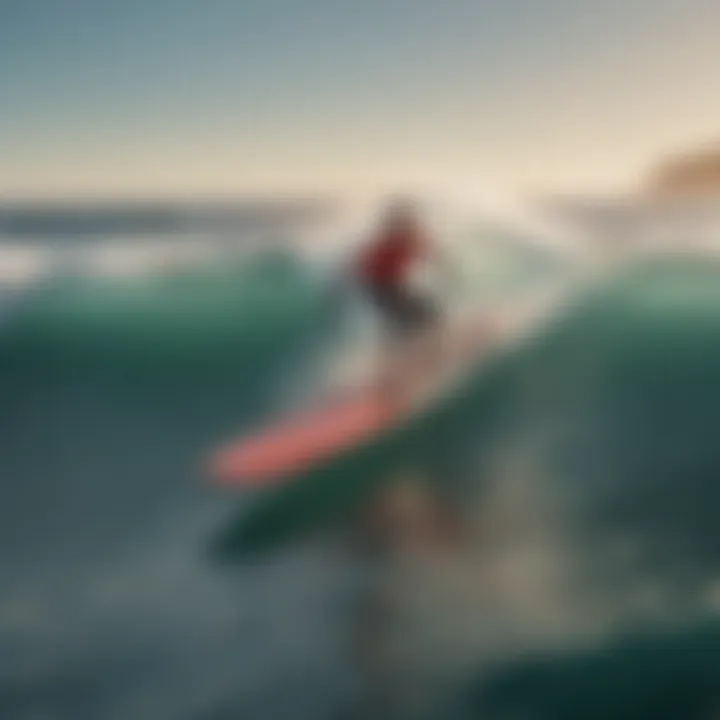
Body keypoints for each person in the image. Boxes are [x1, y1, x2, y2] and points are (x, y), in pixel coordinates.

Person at [354, 200, 444, 404]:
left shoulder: (409, 237)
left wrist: (444, 265)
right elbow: (363, 268)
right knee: (409, 323)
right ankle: (392, 379)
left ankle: (409, 368)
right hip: (380, 288)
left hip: (389, 288)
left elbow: (431, 251)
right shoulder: (388, 242)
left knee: (422, 317)